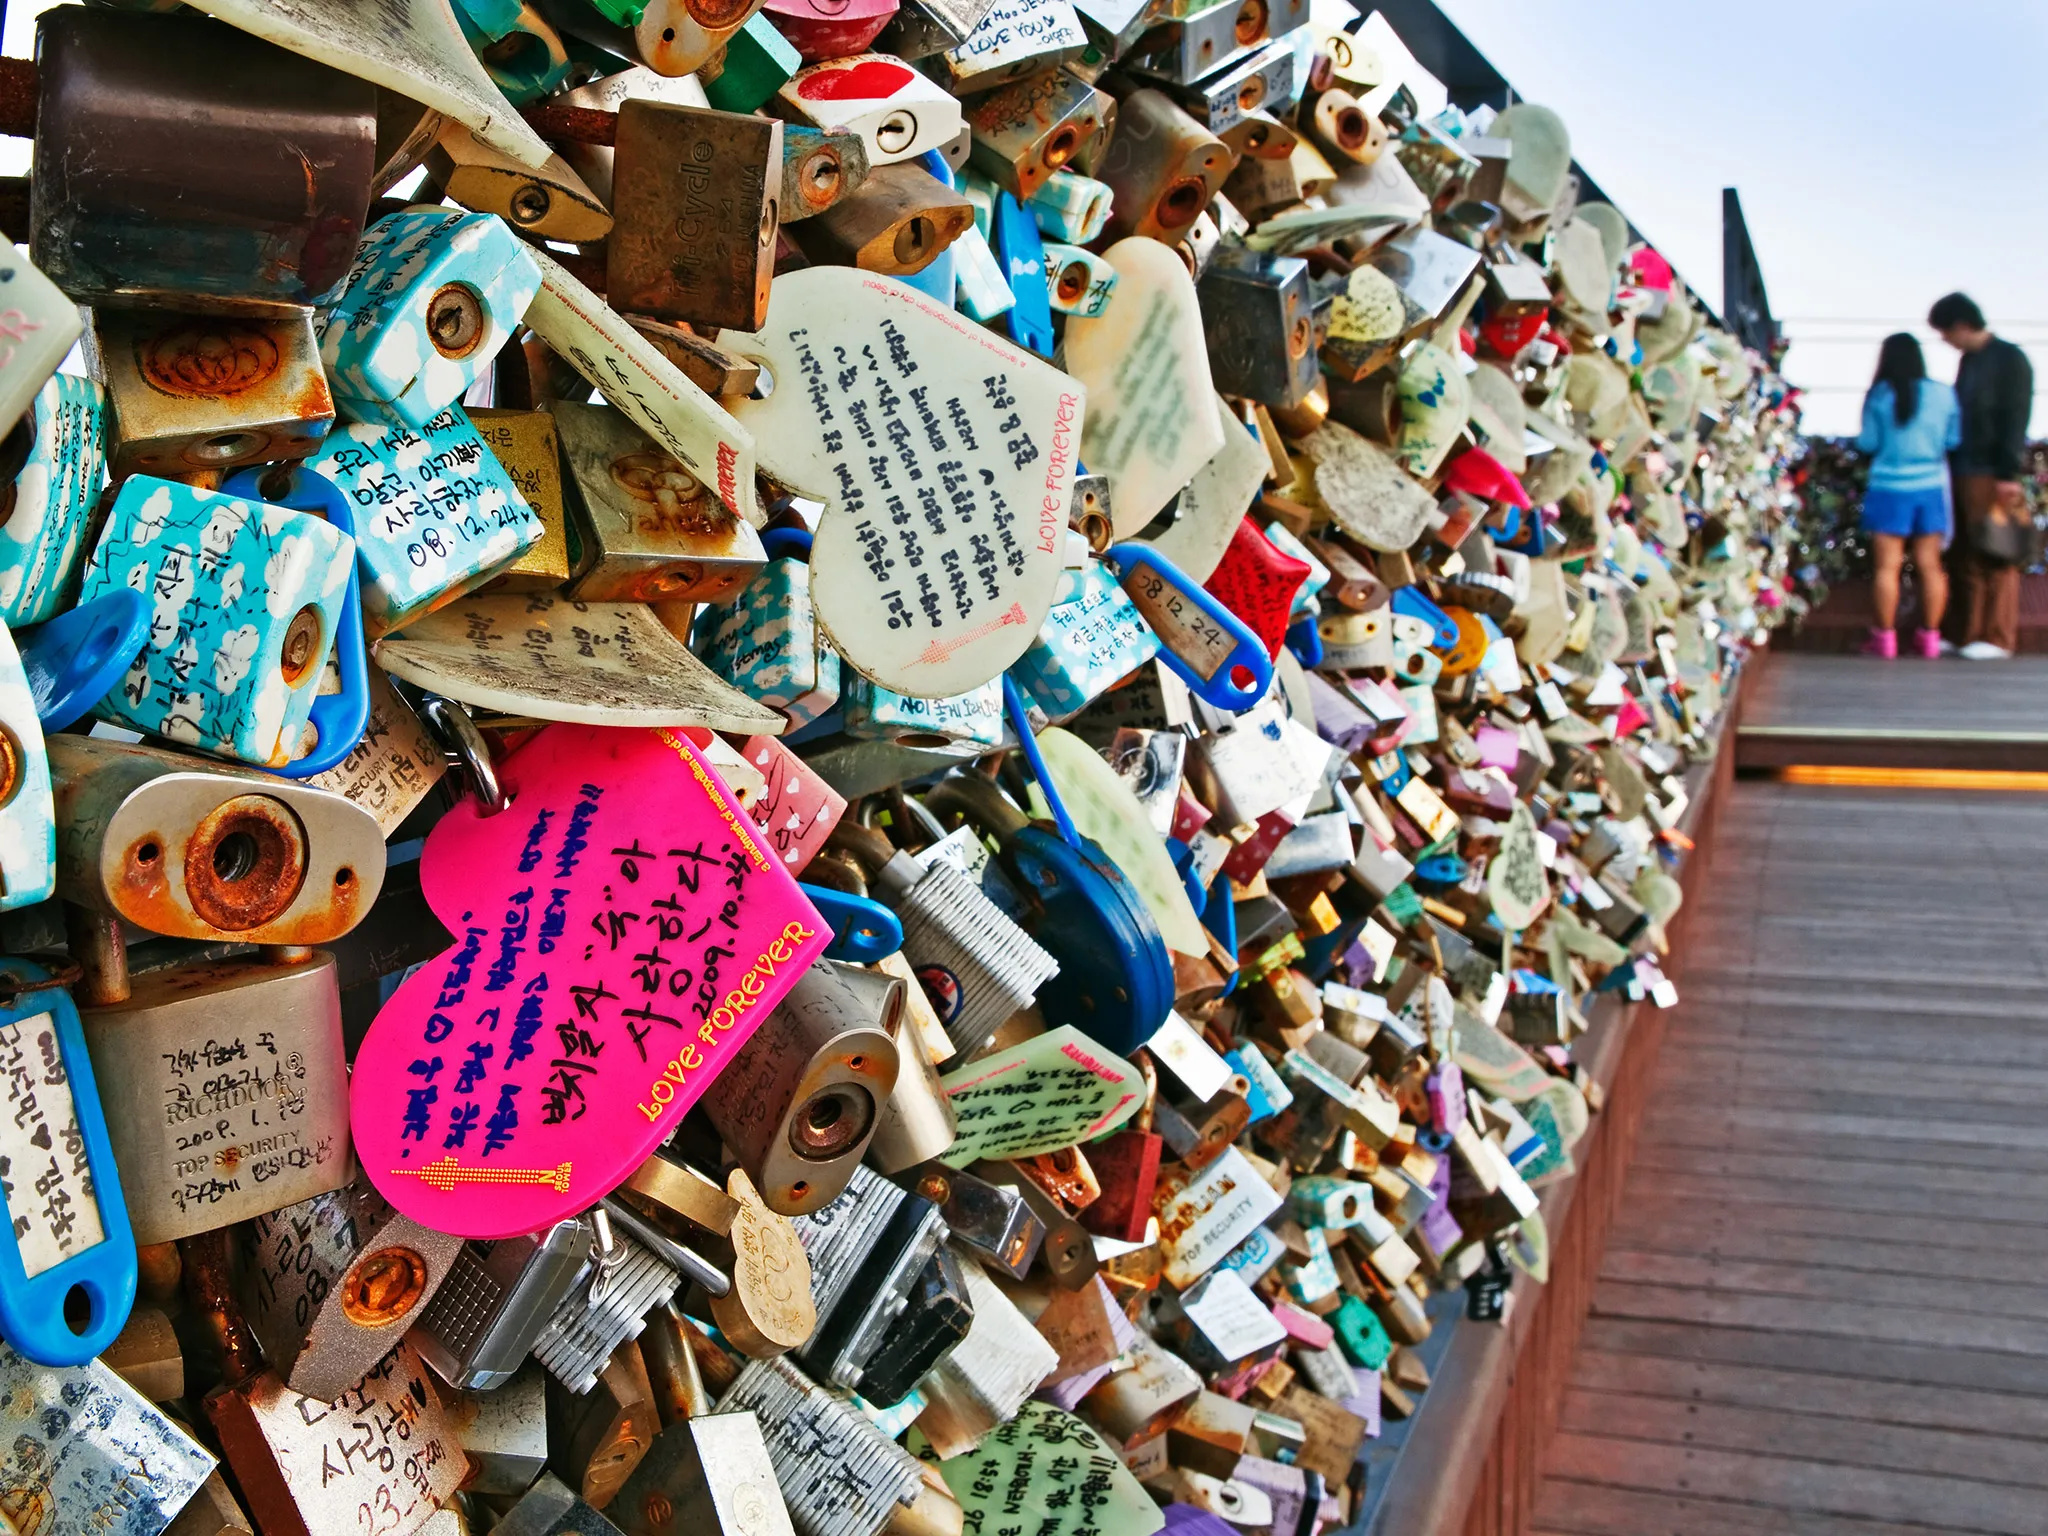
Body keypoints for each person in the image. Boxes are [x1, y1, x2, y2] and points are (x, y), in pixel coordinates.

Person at [1931, 292, 2035, 659]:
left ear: (1961, 325)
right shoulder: (1969, 361)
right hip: (1962, 467)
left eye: (1945, 333)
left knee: (1997, 552)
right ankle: (1965, 633)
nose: (1945, 341)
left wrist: (2008, 472)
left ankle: (1996, 637)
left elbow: (2015, 418)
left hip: (1993, 471)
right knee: (1963, 554)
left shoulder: (2011, 359)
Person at [1855, 334, 1958, 658]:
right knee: (1931, 565)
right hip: (1929, 486)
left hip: (1888, 486)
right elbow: (1953, 440)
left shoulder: (1880, 396)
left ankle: (1885, 640)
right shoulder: (1943, 394)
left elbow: (1868, 443)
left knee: (1887, 567)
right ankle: (1929, 638)